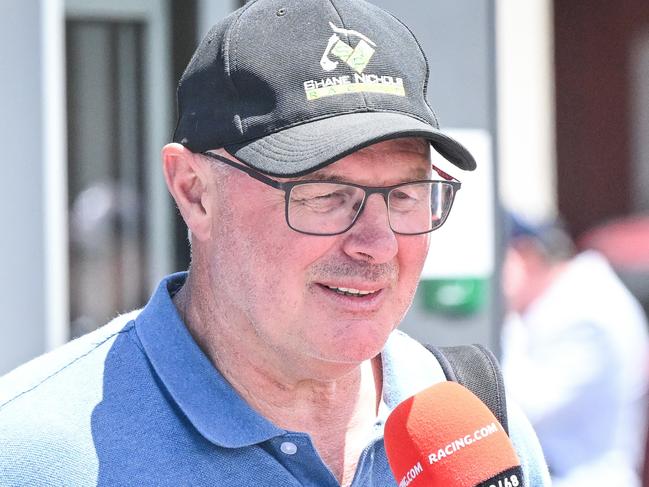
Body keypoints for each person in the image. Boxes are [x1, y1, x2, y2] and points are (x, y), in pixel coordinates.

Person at [0, 1, 550, 485]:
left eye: (405, 194)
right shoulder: (31, 452)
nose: (377, 244)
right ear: (195, 192)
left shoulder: (474, 426)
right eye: (326, 194)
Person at [501, 213, 649, 487]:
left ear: (525, 256)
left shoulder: (586, 309)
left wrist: (504, 313)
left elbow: (518, 407)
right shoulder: (572, 300)